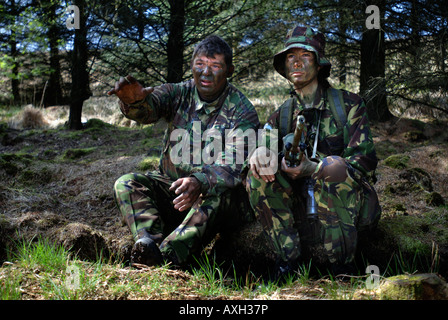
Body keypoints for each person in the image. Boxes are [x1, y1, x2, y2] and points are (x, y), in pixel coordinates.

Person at [109, 35, 259, 268]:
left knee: (218, 197)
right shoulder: (179, 92)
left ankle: (167, 258)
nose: (205, 73)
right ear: (191, 66)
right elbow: (151, 108)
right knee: (126, 183)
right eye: (199, 64)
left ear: (229, 70)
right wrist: (135, 103)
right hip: (173, 189)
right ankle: (148, 242)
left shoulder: (243, 110)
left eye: (215, 66)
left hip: (216, 198)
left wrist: (200, 182)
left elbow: (234, 165)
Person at [244, 26, 381, 278]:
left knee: (333, 167)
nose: (296, 62)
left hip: (348, 211)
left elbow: (364, 161)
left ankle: (342, 267)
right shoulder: (282, 114)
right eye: (290, 56)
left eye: (305, 55)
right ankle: (287, 262)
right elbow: (263, 142)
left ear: (319, 65)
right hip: (299, 211)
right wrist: (260, 154)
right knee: (256, 173)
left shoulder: (349, 104)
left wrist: (315, 168)